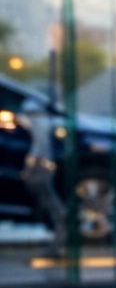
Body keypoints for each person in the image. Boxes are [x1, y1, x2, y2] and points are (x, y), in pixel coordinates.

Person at [18, 97, 67, 258]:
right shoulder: (42, 126)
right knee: (49, 202)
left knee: (50, 202)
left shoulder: (40, 126)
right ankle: (57, 241)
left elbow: (40, 145)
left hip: (42, 168)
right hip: (43, 166)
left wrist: (30, 167)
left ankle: (58, 241)